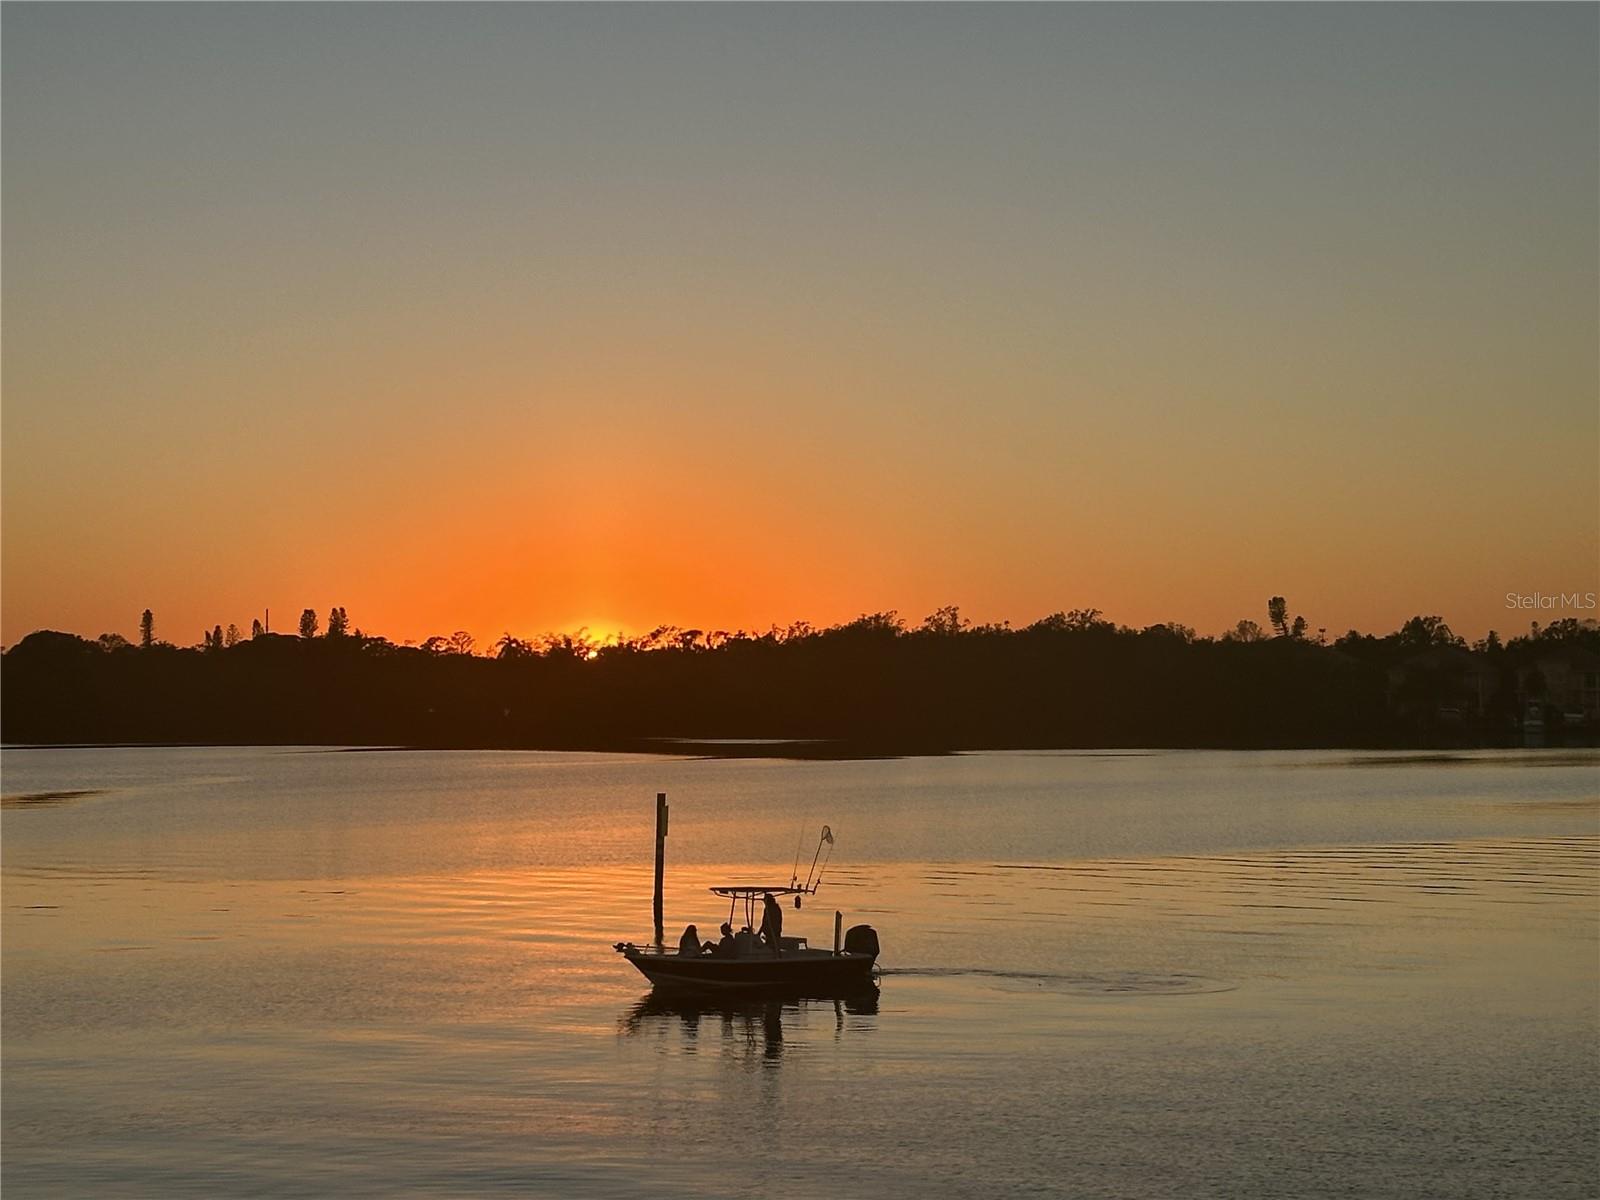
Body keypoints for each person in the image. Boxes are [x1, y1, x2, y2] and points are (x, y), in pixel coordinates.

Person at [760, 892, 783, 957]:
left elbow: (770, 921)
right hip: (768, 934)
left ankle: (777, 957)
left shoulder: (773, 909)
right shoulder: (767, 909)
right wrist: (758, 934)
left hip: (774, 933)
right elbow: (764, 922)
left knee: (774, 948)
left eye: (765, 900)